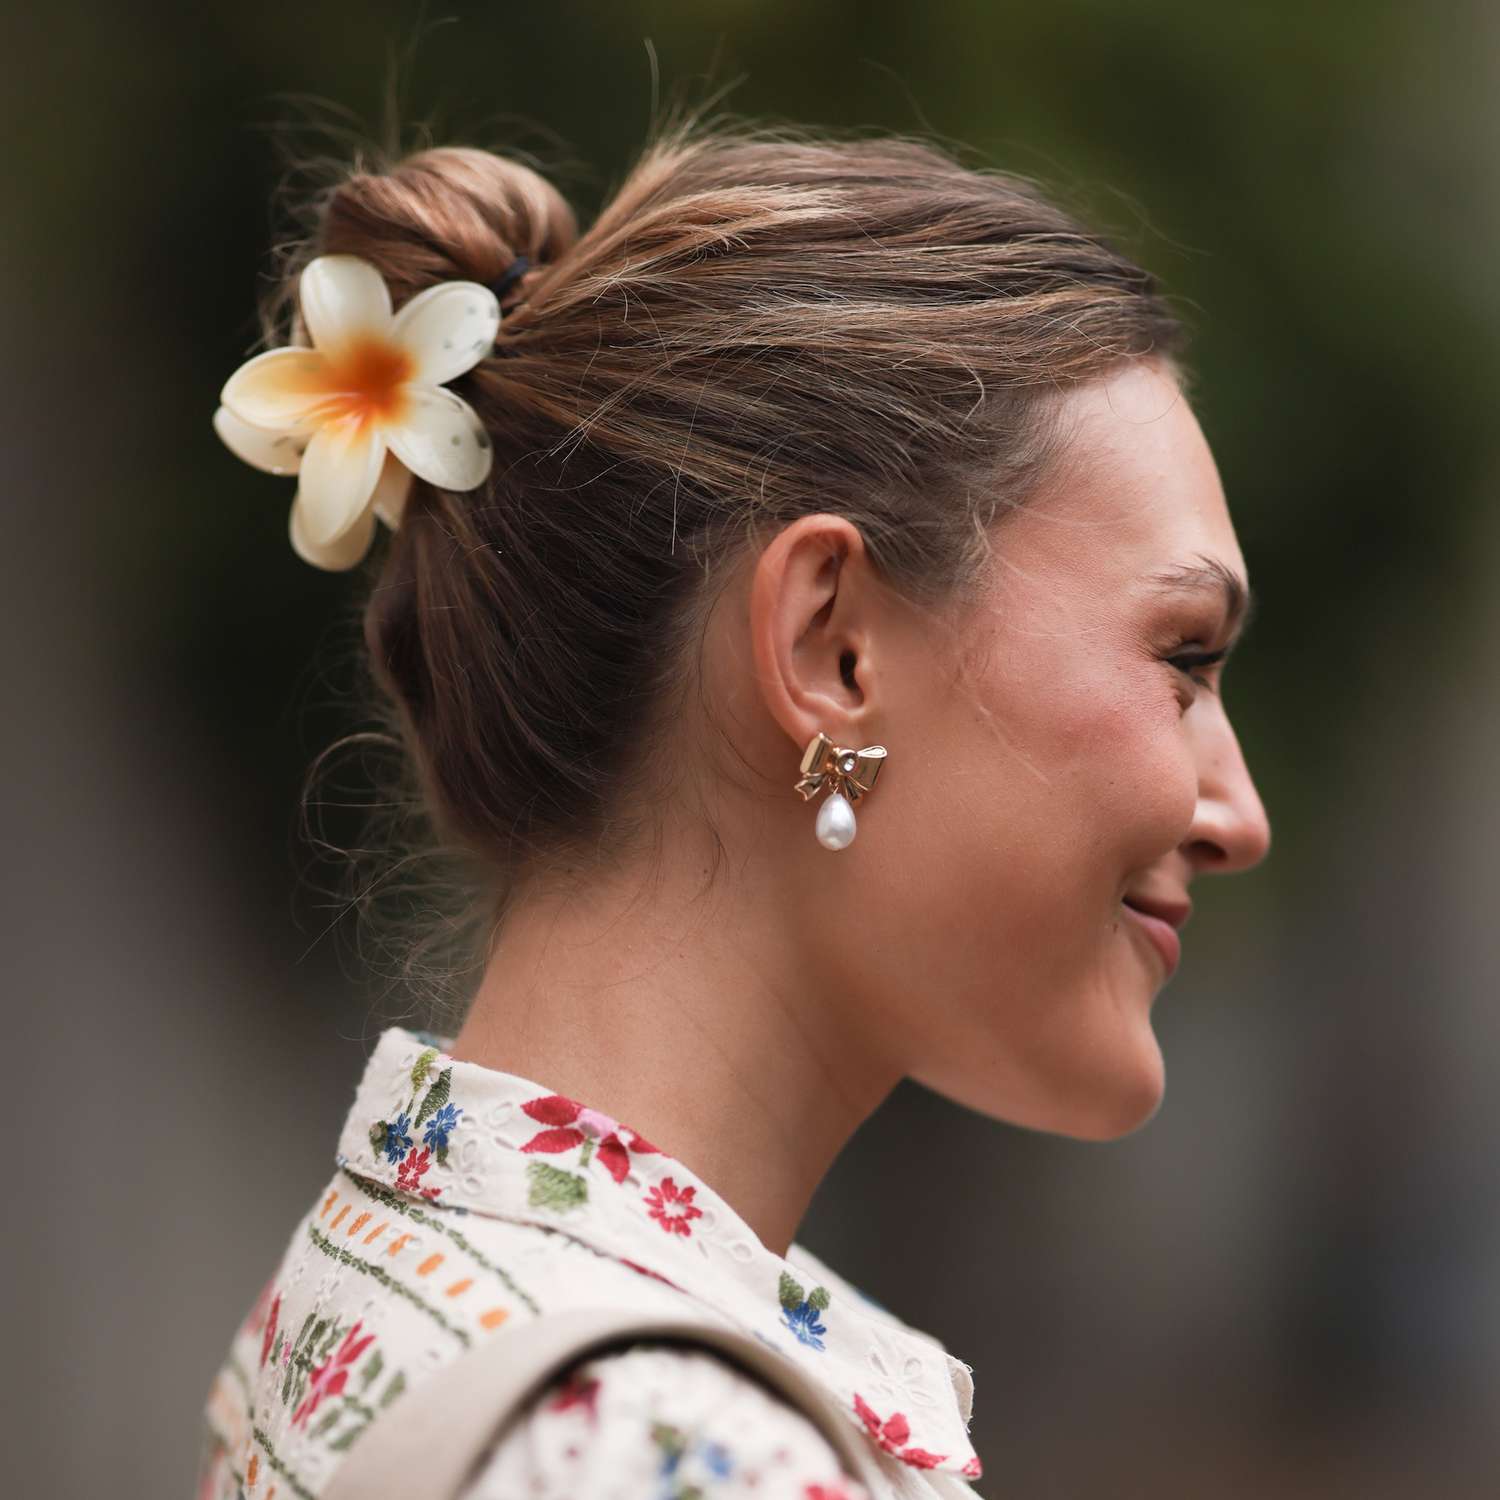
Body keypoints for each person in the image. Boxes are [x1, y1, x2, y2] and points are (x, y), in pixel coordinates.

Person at [196, 110, 1271, 1500]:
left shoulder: (368, 1289)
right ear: (834, 647)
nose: (1236, 813)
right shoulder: (663, 1454)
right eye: (1183, 659)